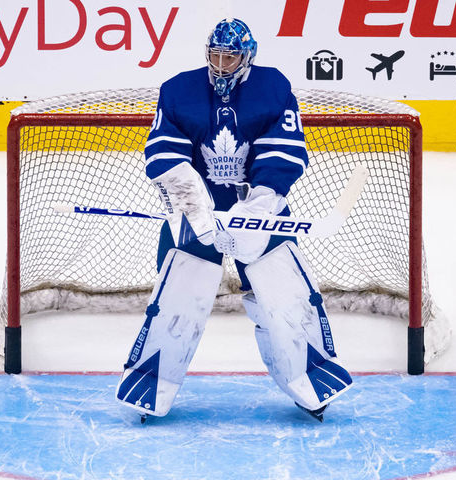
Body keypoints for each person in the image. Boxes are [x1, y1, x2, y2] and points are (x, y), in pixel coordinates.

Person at [116, 18, 352, 422]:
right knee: (177, 297)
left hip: (258, 211)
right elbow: (163, 151)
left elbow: (284, 149)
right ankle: (155, 378)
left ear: (249, 55)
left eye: (231, 56)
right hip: (197, 211)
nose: (222, 64)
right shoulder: (178, 90)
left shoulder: (273, 87)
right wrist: (192, 203)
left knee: (285, 295)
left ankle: (309, 374)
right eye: (216, 55)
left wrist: (260, 204)